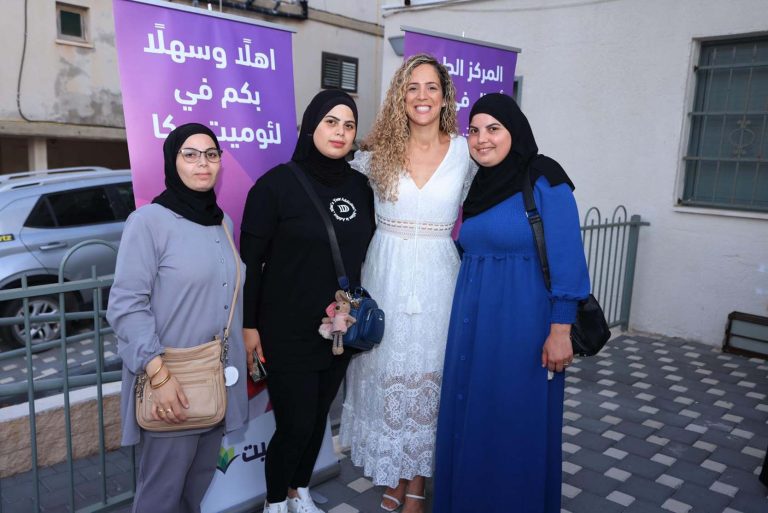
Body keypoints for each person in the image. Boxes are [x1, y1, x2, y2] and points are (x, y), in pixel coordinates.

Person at [433, 93, 590, 512]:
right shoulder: (477, 186)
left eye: (494, 129)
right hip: (473, 325)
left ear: (514, 131)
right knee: (473, 418)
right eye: (474, 130)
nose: (482, 139)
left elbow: (568, 258)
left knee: (515, 423)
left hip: (524, 327)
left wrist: (560, 329)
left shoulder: (544, 178)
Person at [338, 53, 476, 513]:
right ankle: (395, 476)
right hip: (386, 274)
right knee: (388, 374)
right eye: (412, 87)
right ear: (401, 96)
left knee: (429, 377)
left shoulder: (465, 154)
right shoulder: (375, 154)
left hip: (439, 278)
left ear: (445, 97)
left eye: (431, 87)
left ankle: (416, 482)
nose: (422, 95)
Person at [240, 90, 375, 513]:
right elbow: (251, 264)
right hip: (286, 329)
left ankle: (299, 491)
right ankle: (275, 501)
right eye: (331, 121)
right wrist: (249, 326)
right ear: (312, 125)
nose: (340, 132)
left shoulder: (361, 188)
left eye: (349, 125)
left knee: (317, 419)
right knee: (295, 422)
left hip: (339, 331)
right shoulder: (275, 186)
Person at [107, 123, 248, 513]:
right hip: (173, 385)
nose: (203, 163)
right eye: (191, 154)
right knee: (160, 495)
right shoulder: (149, 222)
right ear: (173, 161)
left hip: (215, 382)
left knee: (192, 493)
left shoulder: (222, 222)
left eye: (211, 154)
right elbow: (126, 305)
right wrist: (159, 376)